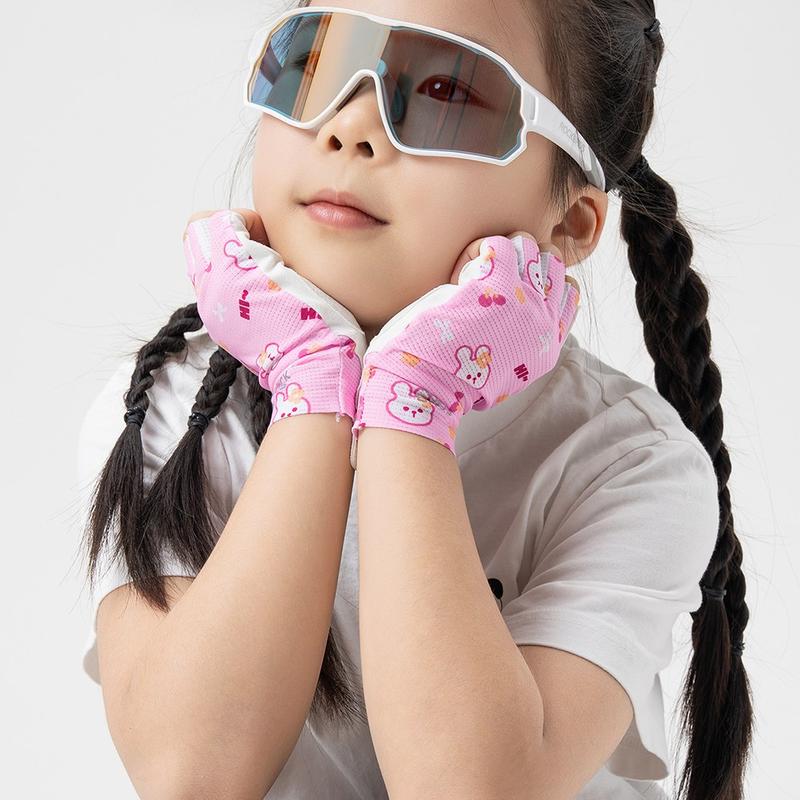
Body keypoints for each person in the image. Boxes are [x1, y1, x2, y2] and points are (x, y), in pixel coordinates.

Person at [76, 1, 753, 798]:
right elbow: (191, 775)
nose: (349, 127)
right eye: (316, 60)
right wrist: (314, 386)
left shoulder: (630, 462)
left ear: (569, 222)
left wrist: (412, 400)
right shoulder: (172, 407)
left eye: (447, 90)